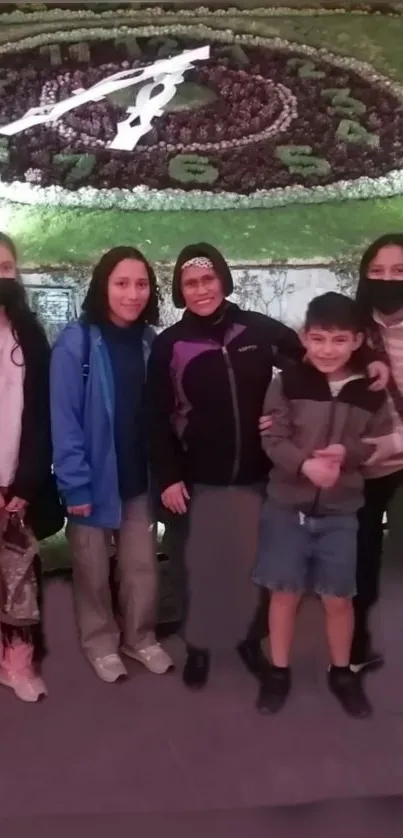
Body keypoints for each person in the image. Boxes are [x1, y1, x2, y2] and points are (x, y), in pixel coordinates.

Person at [146, 243, 314, 690]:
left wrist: (284, 415)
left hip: (255, 478)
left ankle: (248, 641)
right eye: (191, 283)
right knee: (195, 567)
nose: (201, 290)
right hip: (195, 480)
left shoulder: (258, 331)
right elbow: (154, 416)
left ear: (222, 279)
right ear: (180, 291)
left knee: (252, 566)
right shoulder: (170, 345)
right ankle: (198, 646)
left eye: (208, 279)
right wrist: (167, 477)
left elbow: (310, 365)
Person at [253, 292, 394, 718]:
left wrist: (346, 455)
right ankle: (278, 671)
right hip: (285, 506)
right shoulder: (286, 382)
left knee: (338, 599)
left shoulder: (372, 390)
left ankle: (341, 671)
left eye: (338, 340)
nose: (327, 350)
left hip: (342, 511)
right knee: (284, 594)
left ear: (356, 341)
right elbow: (272, 437)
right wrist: (306, 465)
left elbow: (379, 442)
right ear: (304, 337)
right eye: (318, 339)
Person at [50, 246, 173, 683]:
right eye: (122, 283)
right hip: (92, 481)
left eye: (141, 284)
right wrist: (75, 485)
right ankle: (100, 642)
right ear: (103, 287)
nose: (133, 293)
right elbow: (63, 420)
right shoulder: (76, 341)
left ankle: (139, 638)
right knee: (92, 571)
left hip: (138, 479)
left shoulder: (151, 342)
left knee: (141, 568)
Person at [0, 231, 63, 703]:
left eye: (5, 268)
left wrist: (26, 481)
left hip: (19, 484)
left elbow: (43, 416)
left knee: (19, 579)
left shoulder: (30, 335)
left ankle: (17, 664)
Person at [352, 233, 403, 671]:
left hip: (397, 456)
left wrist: (394, 442)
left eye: (399, 272)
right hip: (367, 469)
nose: (388, 280)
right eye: (378, 271)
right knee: (361, 560)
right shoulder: (350, 329)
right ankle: (356, 647)